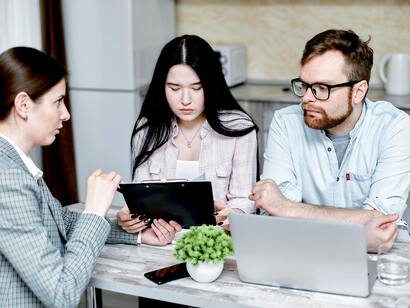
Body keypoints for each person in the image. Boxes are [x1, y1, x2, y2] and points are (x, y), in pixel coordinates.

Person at [0, 46, 181, 307]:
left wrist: (138, 235)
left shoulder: (15, 163)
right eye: (58, 101)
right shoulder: (9, 179)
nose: (66, 114)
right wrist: (95, 211)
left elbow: (58, 221)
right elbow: (62, 294)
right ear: (24, 104)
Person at [250, 29, 410, 251]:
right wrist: (357, 229)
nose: (306, 98)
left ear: (358, 91)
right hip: (299, 251)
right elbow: (274, 214)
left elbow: (382, 220)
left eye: (321, 88)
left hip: (378, 259)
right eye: (304, 85)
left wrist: (289, 208)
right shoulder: (286, 123)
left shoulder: (394, 126)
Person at [116, 34, 258, 234]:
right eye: (174, 88)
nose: (185, 100)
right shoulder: (147, 129)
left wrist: (234, 213)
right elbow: (141, 200)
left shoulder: (239, 128)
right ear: (161, 87)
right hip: (159, 244)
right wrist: (131, 217)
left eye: (196, 88)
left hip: (217, 244)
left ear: (211, 85)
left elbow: (246, 199)